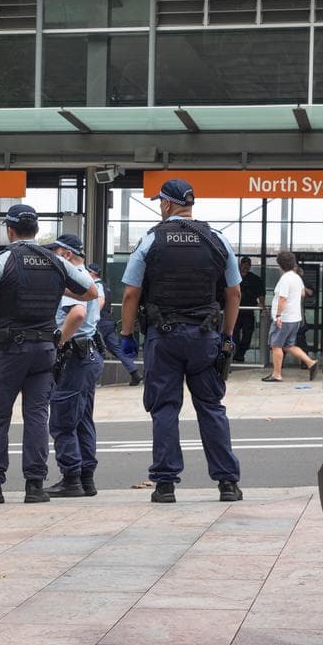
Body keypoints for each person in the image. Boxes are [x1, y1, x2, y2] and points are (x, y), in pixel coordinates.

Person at [0, 205, 96, 503]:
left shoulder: (2, 261)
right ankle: (35, 486)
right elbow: (90, 291)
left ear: (10, 231)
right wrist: (57, 288)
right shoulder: (56, 261)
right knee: (37, 416)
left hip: (8, 350)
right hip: (44, 350)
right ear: (37, 231)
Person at [119, 179, 244, 504]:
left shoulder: (151, 240)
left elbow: (131, 292)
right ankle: (227, 483)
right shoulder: (217, 239)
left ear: (166, 203)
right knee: (212, 408)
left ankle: (165, 485)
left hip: (164, 337)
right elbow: (234, 292)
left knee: (164, 408)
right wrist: (227, 336)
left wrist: (127, 334)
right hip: (205, 338)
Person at [44, 234, 104, 497]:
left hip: (74, 356)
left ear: (67, 254)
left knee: (62, 420)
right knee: (82, 419)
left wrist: (59, 342)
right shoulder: (89, 279)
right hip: (87, 354)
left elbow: (77, 314)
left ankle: (71, 478)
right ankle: (86, 478)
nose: (53, 257)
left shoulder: (74, 277)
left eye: (56, 252)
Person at [263, 250, 318, 383]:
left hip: (284, 318)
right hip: (295, 318)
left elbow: (282, 299)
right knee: (288, 345)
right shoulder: (297, 277)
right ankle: (310, 362)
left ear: (280, 265)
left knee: (276, 345)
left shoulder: (285, 278)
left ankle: (276, 374)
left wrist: (278, 316)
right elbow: (303, 293)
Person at [89, 263, 143, 386]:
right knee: (117, 349)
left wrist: (93, 317)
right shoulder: (105, 287)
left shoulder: (97, 286)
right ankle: (134, 372)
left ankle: (94, 380)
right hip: (107, 322)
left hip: (100, 323)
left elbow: (101, 301)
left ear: (92, 273)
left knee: (95, 350)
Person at [232, 256, 266, 363]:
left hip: (248, 312)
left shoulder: (255, 279)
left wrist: (261, 304)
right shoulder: (233, 277)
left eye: (248, 265)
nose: (245, 266)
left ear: (250, 266)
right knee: (234, 334)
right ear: (240, 265)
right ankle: (236, 354)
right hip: (234, 312)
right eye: (244, 264)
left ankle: (240, 354)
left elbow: (261, 294)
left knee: (248, 334)